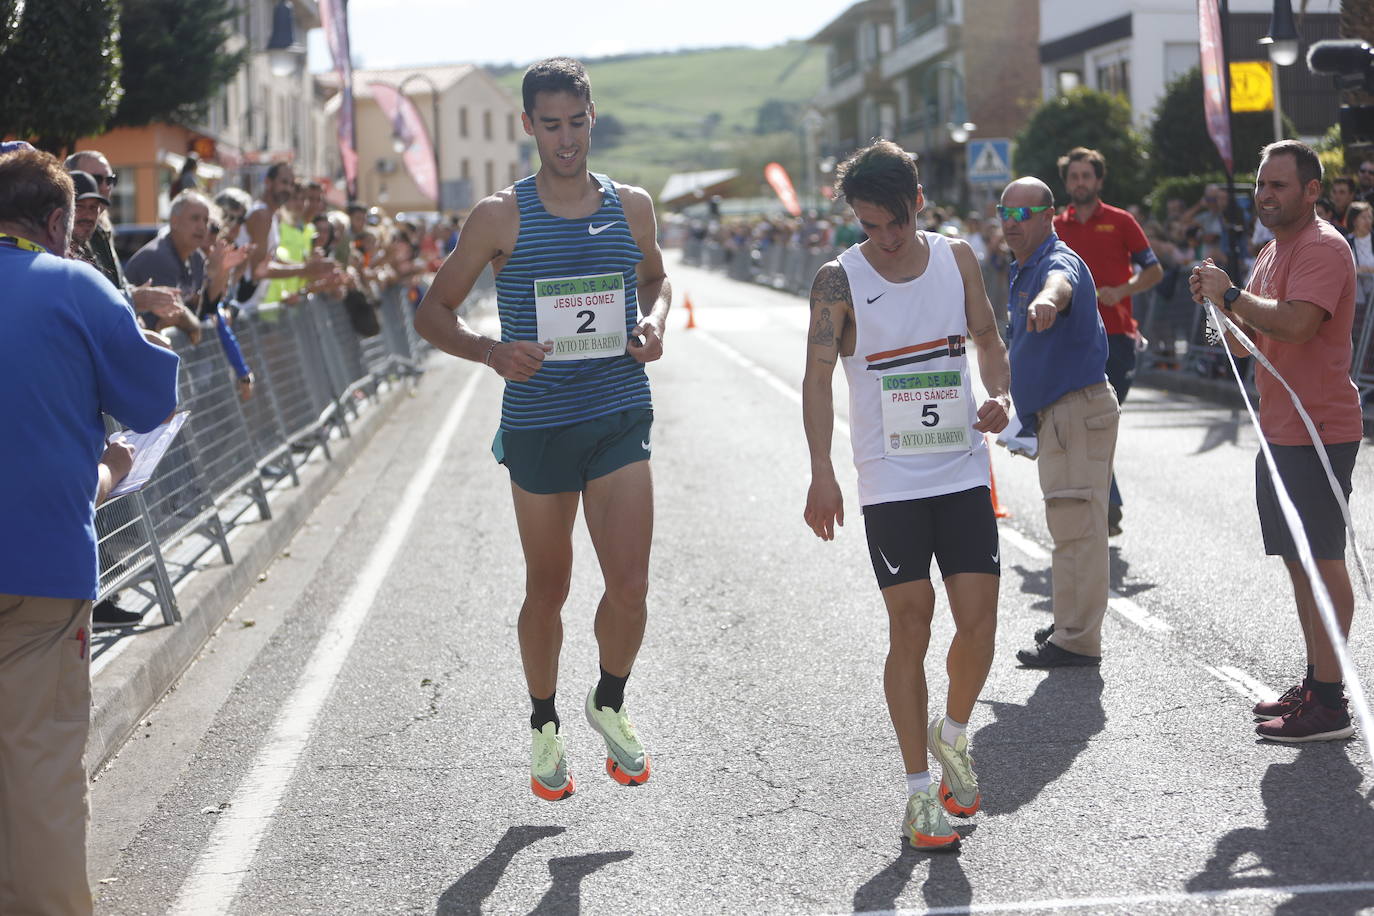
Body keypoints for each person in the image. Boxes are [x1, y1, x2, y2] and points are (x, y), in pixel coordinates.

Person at [414, 57, 670, 801]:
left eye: (576, 122)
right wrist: (491, 351)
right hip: (539, 424)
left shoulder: (633, 206)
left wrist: (652, 322)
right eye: (549, 125)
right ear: (528, 125)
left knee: (630, 586)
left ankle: (609, 702)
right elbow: (432, 313)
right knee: (548, 588)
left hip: (618, 409)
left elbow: (654, 279)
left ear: (594, 116)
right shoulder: (500, 216)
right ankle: (544, 723)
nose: (565, 139)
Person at [802, 140, 1010, 850]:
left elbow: (986, 336)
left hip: (960, 467)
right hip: (888, 479)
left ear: (917, 204)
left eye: (893, 223)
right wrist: (821, 470)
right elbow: (816, 376)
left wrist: (999, 394)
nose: (883, 240)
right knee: (912, 626)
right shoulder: (839, 278)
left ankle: (952, 735)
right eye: (869, 226)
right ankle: (920, 794)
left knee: (980, 623)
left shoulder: (956, 259)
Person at [0, 147, 180, 916]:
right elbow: (147, 401)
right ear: (53, 219)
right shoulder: (76, 283)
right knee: (37, 765)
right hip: (40, 566)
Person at [1189, 140, 1362, 742]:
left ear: (1312, 191)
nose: (1265, 195)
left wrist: (1231, 295)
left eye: (1279, 185)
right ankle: (1318, 682)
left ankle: (1333, 700)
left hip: (1318, 429)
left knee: (1322, 562)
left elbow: (1294, 322)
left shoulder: (1321, 246)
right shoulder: (1271, 251)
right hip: (1281, 429)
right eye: (1261, 184)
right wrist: (1218, 306)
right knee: (1298, 564)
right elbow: (1246, 342)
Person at [1000, 176, 1120, 669]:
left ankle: (1077, 638)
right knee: (1069, 522)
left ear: (1048, 216)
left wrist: (1050, 299)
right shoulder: (1024, 264)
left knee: (1078, 527)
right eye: (1004, 213)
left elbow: (1062, 282)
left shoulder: (1054, 261)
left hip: (1076, 409)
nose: (1011, 224)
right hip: (1061, 413)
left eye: (1022, 215)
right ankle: (1071, 622)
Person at [1053, 148, 1161, 537]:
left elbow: (1154, 269)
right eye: (1074, 176)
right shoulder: (1054, 226)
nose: (1080, 182)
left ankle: (1106, 500)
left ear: (1098, 181)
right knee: (1085, 423)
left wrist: (1124, 289)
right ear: (1066, 183)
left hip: (1116, 336)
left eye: (1087, 176)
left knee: (1098, 421)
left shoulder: (1120, 221)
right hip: (1068, 340)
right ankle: (1106, 502)